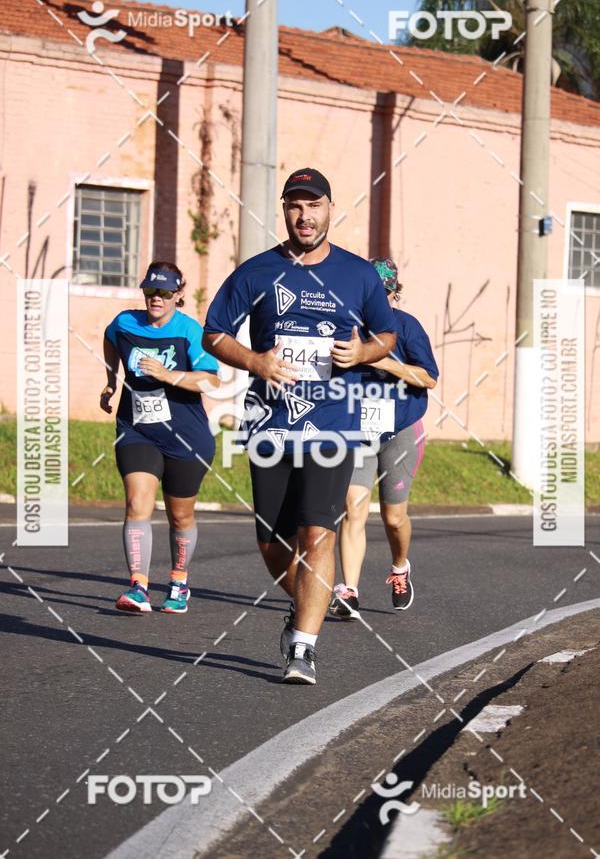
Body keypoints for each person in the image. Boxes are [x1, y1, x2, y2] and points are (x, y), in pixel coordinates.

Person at [202, 168, 396, 684]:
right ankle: (307, 603)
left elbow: (387, 335)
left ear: (331, 209)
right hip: (270, 427)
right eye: (294, 205)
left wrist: (364, 350)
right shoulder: (257, 272)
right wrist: (256, 362)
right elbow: (214, 334)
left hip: (333, 427)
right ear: (284, 211)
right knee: (272, 544)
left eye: (313, 205)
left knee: (319, 533)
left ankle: (303, 649)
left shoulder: (359, 275)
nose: (304, 215)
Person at [100, 261, 220, 614]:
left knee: (180, 516)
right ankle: (138, 586)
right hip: (136, 429)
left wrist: (169, 375)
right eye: (151, 291)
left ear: (178, 295)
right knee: (137, 502)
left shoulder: (189, 330)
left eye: (165, 293)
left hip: (186, 435)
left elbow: (211, 380)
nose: (156, 298)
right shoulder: (125, 322)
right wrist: (110, 380)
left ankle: (179, 583)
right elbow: (109, 340)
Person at [330, 257, 438, 619]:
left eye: (386, 292)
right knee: (354, 507)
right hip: (358, 429)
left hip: (401, 428)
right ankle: (349, 590)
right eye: (372, 293)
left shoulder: (407, 328)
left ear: (394, 293)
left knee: (393, 518)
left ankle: (399, 565)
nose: (380, 299)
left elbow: (429, 379)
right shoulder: (348, 329)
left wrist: (383, 362)